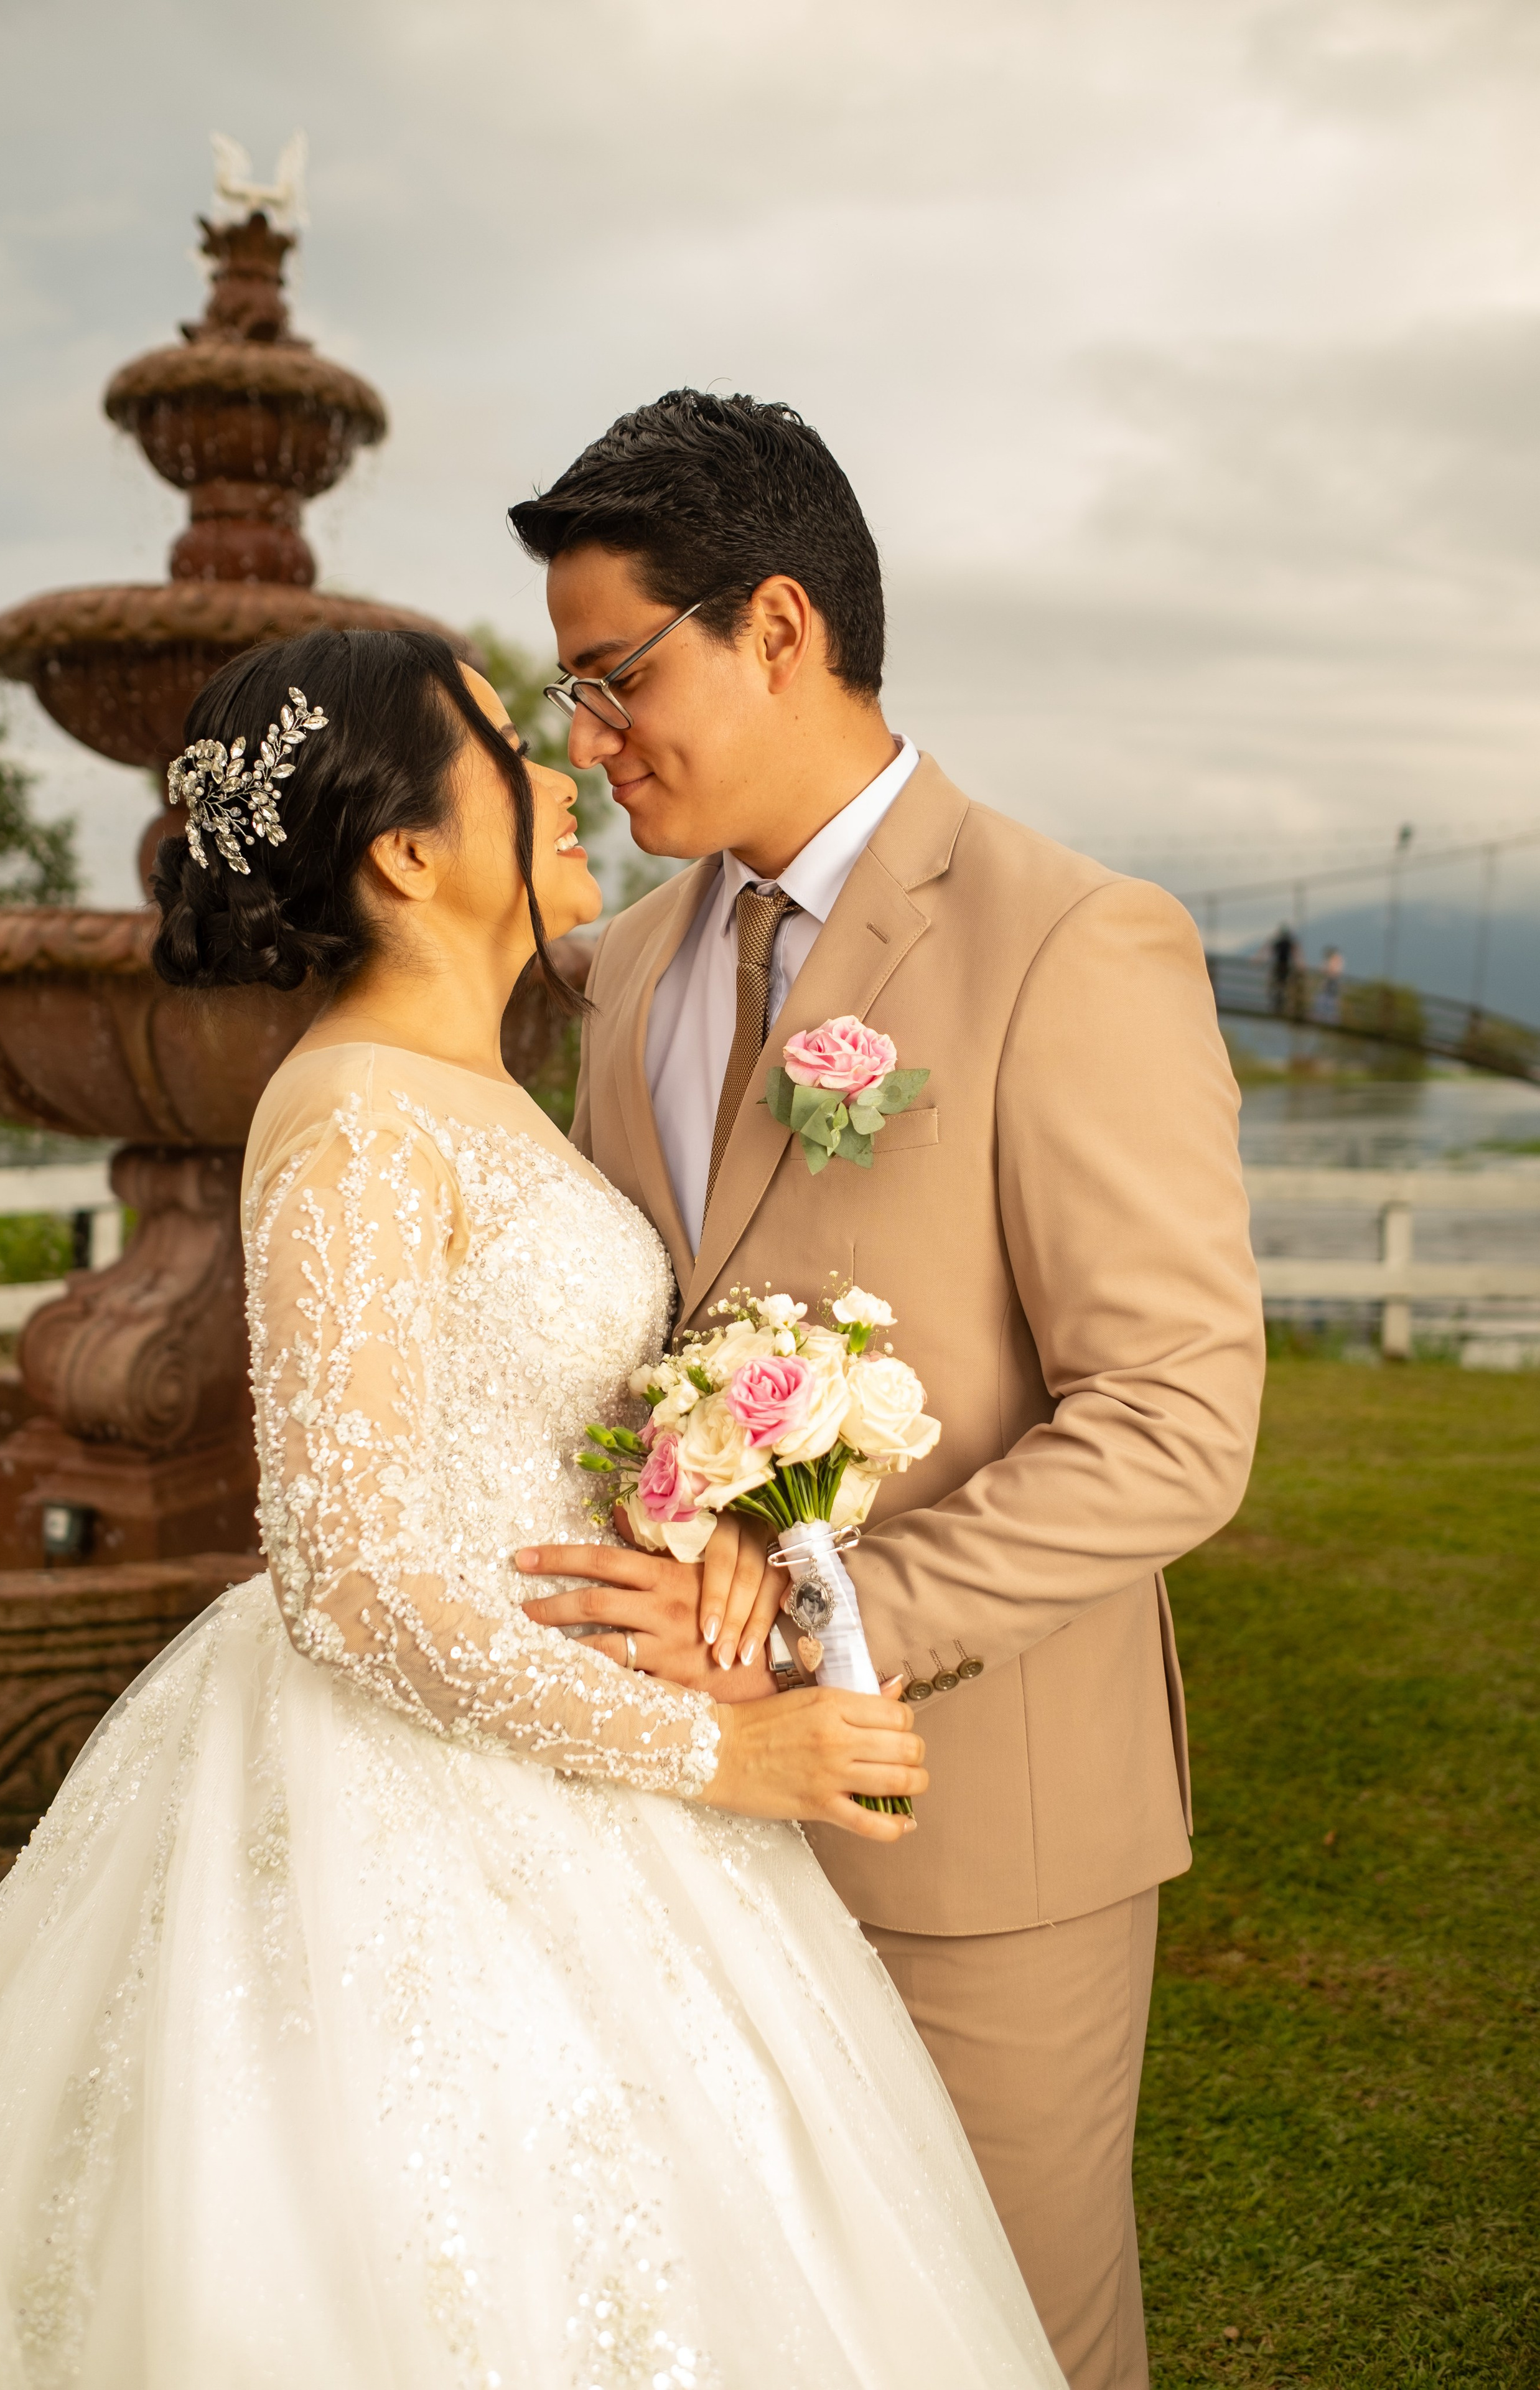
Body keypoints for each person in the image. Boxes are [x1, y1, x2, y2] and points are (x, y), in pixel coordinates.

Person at [0, 625, 1063, 2389]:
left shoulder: (476, 1093)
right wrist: (726, 1762)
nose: (564, 773)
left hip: (561, 1730)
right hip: (413, 1792)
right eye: (505, 741)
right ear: (404, 849)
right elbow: (354, 1583)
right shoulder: (359, 1122)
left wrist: (713, 1504)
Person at [508, 391, 1266, 2390]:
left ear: (775, 626)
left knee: (1005, 2340)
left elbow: (1178, 1417)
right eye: (568, 690)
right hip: (675, 1815)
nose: (590, 739)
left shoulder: (1074, 941)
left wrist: (835, 1618)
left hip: (980, 1838)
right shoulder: (628, 967)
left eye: (614, 677)